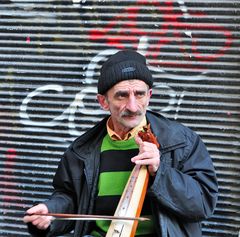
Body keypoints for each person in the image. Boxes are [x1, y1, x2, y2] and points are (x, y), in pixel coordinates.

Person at [23, 50, 218, 237]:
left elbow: (203, 202)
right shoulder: (82, 150)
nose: (133, 107)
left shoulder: (182, 142)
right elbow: (71, 199)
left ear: (149, 95)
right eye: (122, 95)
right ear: (103, 102)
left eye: (139, 94)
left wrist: (160, 171)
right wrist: (51, 213)